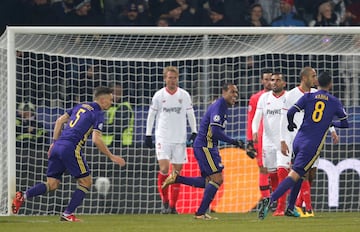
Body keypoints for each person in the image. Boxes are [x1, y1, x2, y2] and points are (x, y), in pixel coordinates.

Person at [11, 86, 126, 222]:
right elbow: (96, 139)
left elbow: (59, 121)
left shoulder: (80, 106)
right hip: (71, 148)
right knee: (86, 182)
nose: (112, 103)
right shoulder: (98, 113)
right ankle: (67, 214)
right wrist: (112, 156)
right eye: (110, 100)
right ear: (102, 99)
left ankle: (23, 195)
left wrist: (54, 142)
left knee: (52, 184)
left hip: (58, 146)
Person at [258, 71, 349, 220]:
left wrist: (292, 124)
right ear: (330, 84)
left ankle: (290, 207)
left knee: (301, 174)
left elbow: (290, 112)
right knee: (295, 174)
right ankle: (270, 199)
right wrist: (332, 123)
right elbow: (345, 123)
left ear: (317, 83)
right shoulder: (333, 101)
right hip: (311, 144)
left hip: (298, 140)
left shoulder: (307, 96)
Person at [161, 82, 246, 220]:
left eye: (236, 92)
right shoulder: (219, 106)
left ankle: (178, 179)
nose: (235, 95)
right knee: (217, 178)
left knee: (208, 181)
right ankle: (200, 213)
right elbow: (215, 131)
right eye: (232, 92)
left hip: (207, 146)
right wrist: (234, 141)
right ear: (224, 92)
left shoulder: (222, 106)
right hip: (206, 146)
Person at [280, 67, 339, 217]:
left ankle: (298, 203)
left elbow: (325, 116)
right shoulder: (291, 95)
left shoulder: (316, 94)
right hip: (297, 139)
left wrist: (332, 131)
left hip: (314, 139)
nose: (315, 79)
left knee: (311, 174)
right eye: (313, 76)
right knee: (302, 172)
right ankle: (307, 208)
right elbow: (283, 118)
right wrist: (283, 140)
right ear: (304, 78)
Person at [145, 66, 197, 214]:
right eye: (169, 77)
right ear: (165, 78)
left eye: (174, 78)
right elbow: (151, 116)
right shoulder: (158, 95)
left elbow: (190, 114)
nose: (172, 80)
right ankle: (165, 201)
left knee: (176, 174)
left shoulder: (184, 95)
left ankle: (173, 207)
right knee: (164, 169)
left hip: (179, 139)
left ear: (177, 79)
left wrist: (194, 131)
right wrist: (148, 134)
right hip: (163, 137)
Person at [252, 72, 290, 216]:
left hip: (284, 141)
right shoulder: (264, 98)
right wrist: (255, 131)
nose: (274, 83)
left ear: (284, 83)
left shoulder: (288, 97)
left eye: (278, 80)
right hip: (267, 142)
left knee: (282, 171)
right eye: (273, 80)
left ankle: (281, 207)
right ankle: (277, 203)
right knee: (272, 174)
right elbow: (257, 117)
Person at [246, 70, 272, 204]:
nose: (269, 82)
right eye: (266, 79)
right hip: (261, 139)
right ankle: (266, 201)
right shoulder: (256, 98)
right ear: (262, 81)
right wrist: (250, 140)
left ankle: (280, 202)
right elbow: (251, 120)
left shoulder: (281, 97)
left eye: (271, 79)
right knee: (263, 169)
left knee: (280, 170)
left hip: (277, 138)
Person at [102, 83, 134, 147]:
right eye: (114, 93)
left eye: (119, 93)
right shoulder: (107, 106)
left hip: (121, 145)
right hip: (104, 144)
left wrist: (98, 127)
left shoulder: (124, 107)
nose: (116, 96)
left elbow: (118, 128)